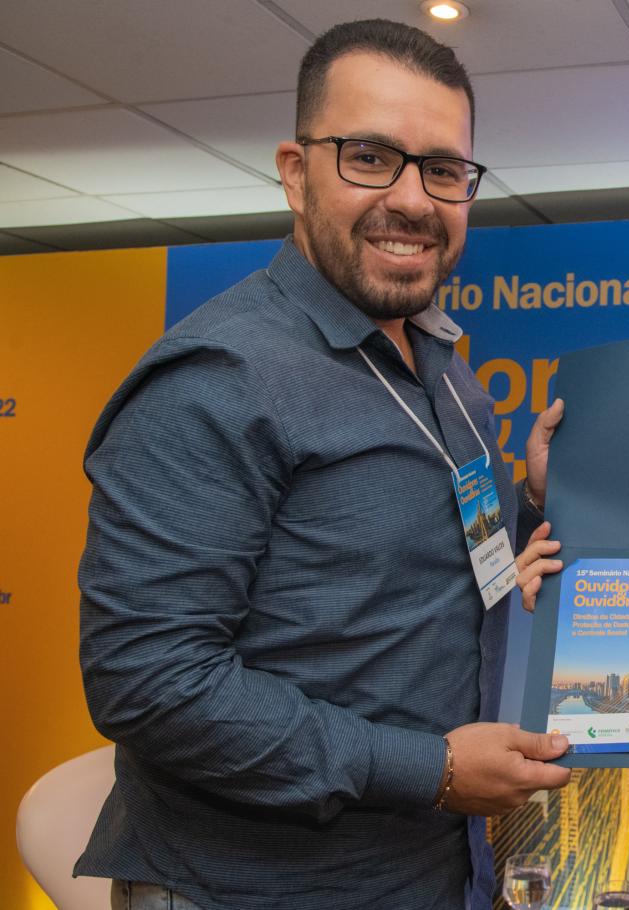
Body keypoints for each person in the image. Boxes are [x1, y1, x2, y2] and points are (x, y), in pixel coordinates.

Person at [75, 19, 570, 910]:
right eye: (370, 157)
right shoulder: (218, 380)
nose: (413, 200)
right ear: (296, 172)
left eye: (443, 169)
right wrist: (432, 769)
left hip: (432, 871)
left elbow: (453, 579)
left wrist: (533, 505)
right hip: (253, 887)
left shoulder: (448, 374)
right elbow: (150, 682)